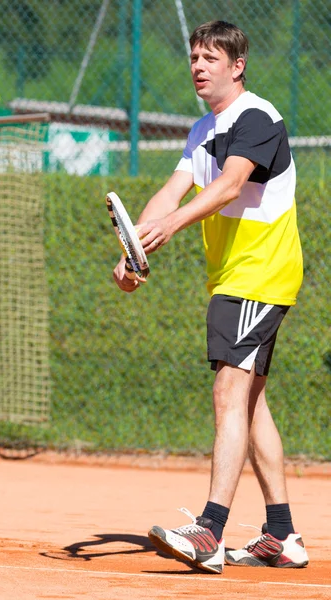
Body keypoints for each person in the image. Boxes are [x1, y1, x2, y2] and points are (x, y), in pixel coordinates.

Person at [112, 20, 309, 574]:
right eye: (194, 56)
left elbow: (228, 185)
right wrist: (132, 252)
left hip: (260, 274)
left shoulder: (258, 117)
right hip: (233, 278)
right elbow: (171, 191)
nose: (198, 66)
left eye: (210, 57)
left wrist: (168, 228)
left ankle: (209, 530)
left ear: (237, 65)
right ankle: (282, 535)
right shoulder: (203, 129)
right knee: (249, 402)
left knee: (228, 392)